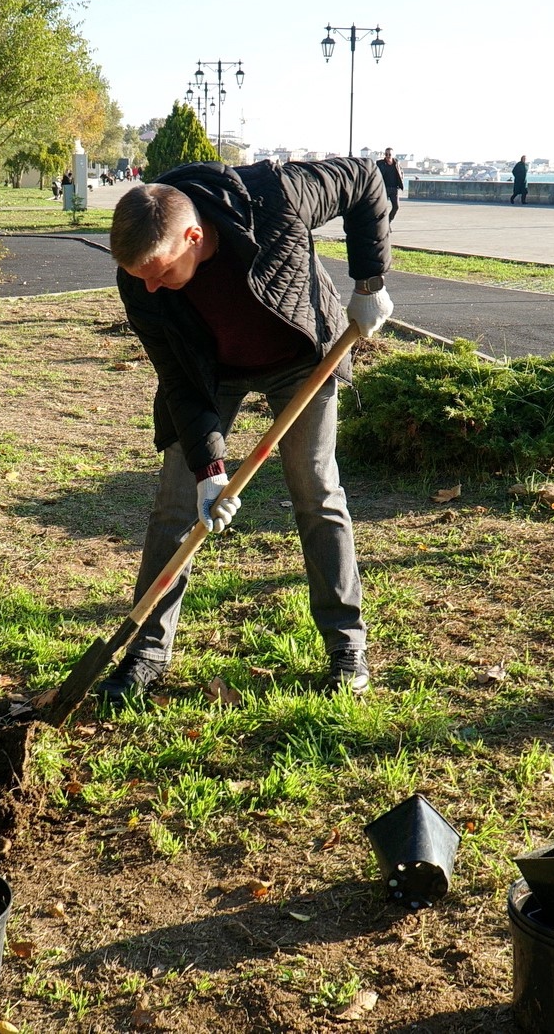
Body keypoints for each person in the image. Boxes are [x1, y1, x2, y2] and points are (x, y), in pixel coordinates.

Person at [101, 157, 394, 708]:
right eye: (141, 276)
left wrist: (369, 281)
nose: (151, 287)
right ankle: (146, 652)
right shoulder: (140, 279)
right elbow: (180, 381)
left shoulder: (273, 195)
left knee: (315, 489)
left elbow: (365, 181)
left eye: (161, 272)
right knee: (175, 501)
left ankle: (346, 646)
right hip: (212, 373)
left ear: (193, 235)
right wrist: (209, 470)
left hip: (305, 359)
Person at [376, 147, 404, 223]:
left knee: (396, 207)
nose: (388, 156)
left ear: (393, 155)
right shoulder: (380, 164)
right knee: (381, 207)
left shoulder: (396, 163)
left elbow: (401, 173)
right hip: (384, 189)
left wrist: (401, 180)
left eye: (389, 154)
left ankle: (388, 222)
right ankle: (381, 224)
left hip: (394, 189)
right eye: (386, 154)